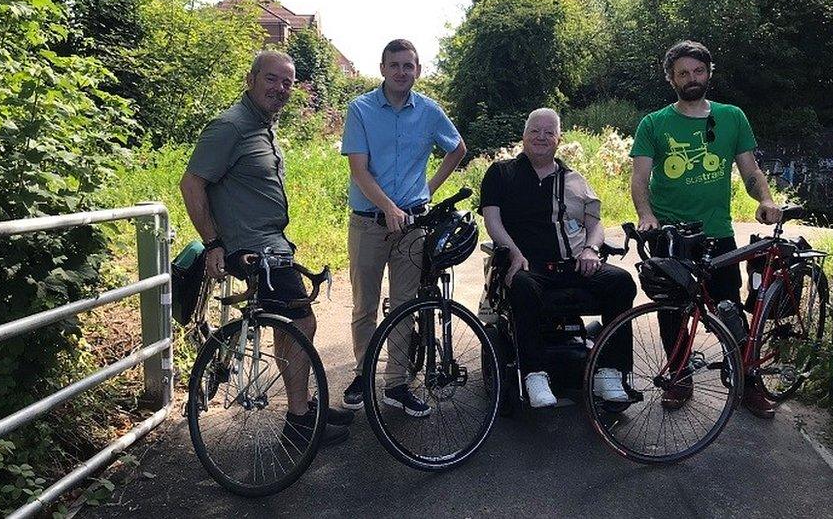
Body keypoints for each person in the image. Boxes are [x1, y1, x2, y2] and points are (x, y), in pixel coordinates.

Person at [180, 50, 351, 445]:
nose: (280, 88)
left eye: (287, 82)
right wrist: (213, 245)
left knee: (290, 319)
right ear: (251, 78)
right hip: (250, 249)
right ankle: (298, 421)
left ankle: (304, 408)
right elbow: (192, 185)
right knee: (301, 321)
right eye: (272, 79)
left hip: (272, 246)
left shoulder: (262, 126)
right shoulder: (230, 127)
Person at [629, 40, 783, 418]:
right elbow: (639, 178)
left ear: (709, 73)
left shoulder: (732, 117)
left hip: (718, 233)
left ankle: (746, 381)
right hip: (672, 236)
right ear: (671, 79)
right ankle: (679, 377)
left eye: (698, 71)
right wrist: (646, 216)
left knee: (730, 310)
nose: (691, 78)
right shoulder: (653, 123)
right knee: (672, 311)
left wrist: (764, 199)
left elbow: (750, 170)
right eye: (683, 73)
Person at [340, 39, 467, 416]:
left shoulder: (429, 111)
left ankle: (396, 383)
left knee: (404, 305)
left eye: (407, 66)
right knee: (364, 305)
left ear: (418, 70)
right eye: (394, 65)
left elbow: (457, 148)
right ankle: (363, 374)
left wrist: (427, 189)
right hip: (368, 222)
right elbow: (359, 170)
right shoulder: (360, 109)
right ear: (382, 68)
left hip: (413, 224)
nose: (400, 72)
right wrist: (389, 206)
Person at [479, 108, 637, 408]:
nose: (541, 137)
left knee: (621, 282)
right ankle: (535, 375)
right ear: (524, 136)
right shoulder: (502, 173)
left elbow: (595, 223)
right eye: (535, 131)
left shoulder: (574, 179)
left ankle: (609, 373)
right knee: (522, 286)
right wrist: (513, 252)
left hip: (574, 264)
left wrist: (591, 248)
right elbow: (492, 221)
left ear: (558, 138)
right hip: (528, 264)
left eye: (549, 132)